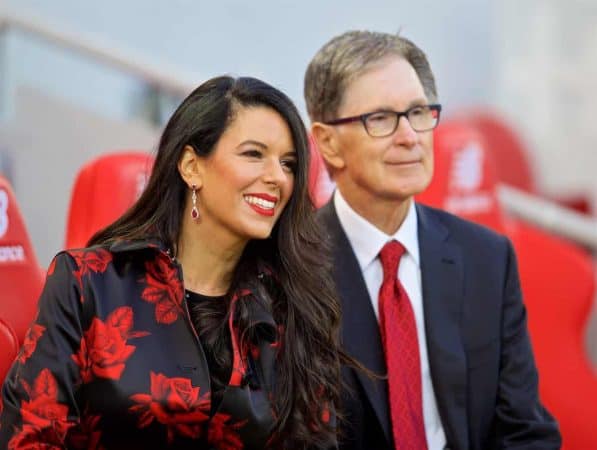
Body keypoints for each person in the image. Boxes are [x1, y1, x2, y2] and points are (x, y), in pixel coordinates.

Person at [0, 76, 341, 449]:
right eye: (253, 154)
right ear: (192, 166)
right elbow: (28, 438)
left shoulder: (291, 305)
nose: (278, 177)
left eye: (289, 163)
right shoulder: (88, 283)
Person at [304, 30, 561, 450]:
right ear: (329, 142)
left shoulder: (486, 259)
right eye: (381, 118)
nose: (410, 136)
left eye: (419, 112)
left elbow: (524, 429)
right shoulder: (285, 267)